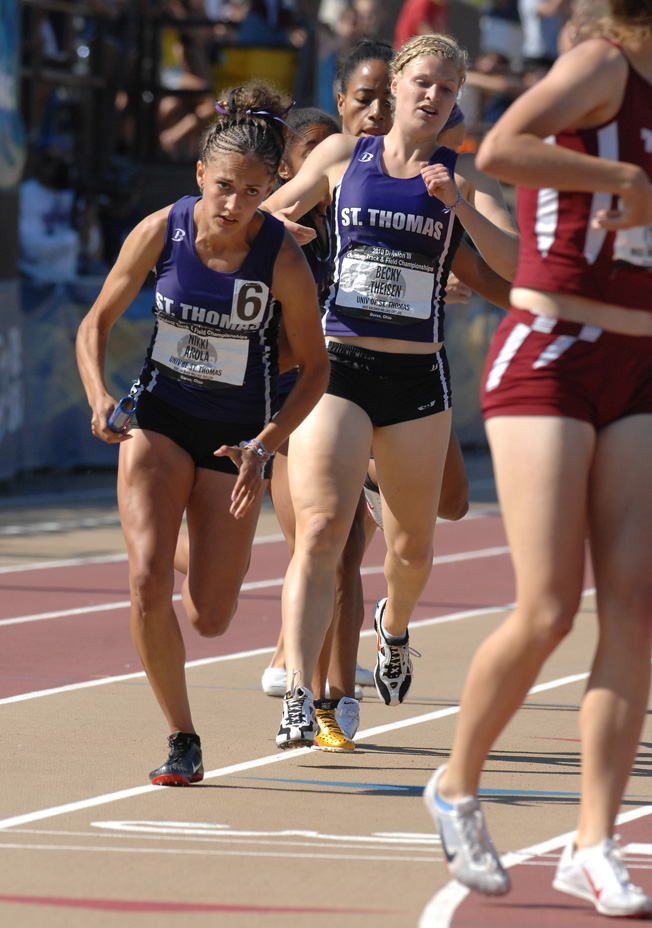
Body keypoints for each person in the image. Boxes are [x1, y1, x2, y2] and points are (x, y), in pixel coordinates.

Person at [424, 0, 652, 917]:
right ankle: (456, 783)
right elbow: (503, 147)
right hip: (554, 348)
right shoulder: (605, 64)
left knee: (633, 607)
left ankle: (594, 842)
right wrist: (619, 173)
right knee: (551, 606)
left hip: (640, 363)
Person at [262, 32, 518, 750]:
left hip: (415, 379)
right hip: (340, 367)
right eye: (422, 82)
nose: (432, 95)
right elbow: (267, 215)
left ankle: (395, 628)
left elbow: (516, 264)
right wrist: (287, 234)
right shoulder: (343, 157)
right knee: (320, 529)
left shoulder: (460, 176)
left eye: (447, 88)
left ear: (455, 103)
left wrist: (459, 208)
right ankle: (300, 694)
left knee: (412, 548)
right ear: (398, 85)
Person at [76, 82, 330, 786]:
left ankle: (181, 542)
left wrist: (268, 442)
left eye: (252, 190)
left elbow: (315, 368)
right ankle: (182, 737)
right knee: (145, 579)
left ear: (273, 185)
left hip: (233, 440)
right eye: (223, 186)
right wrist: (100, 396)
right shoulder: (164, 228)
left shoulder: (281, 257)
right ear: (199, 177)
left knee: (213, 616)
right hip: (157, 419)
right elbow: (95, 322)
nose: (233, 203)